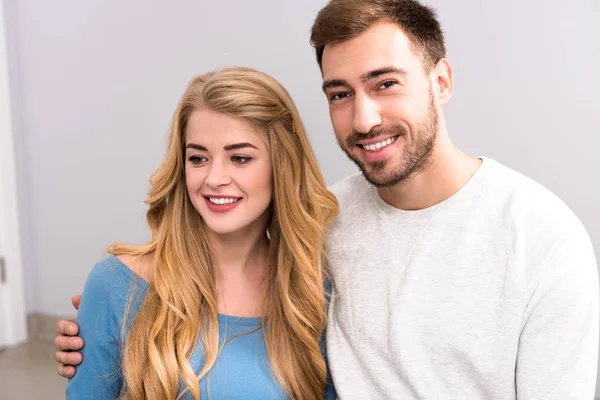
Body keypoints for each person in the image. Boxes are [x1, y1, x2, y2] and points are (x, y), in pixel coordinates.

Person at [55, 1, 599, 399]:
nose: (363, 118)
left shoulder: (543, 240)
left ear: (442, 81)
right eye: (340, 94)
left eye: (385, 83)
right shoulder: (324, 226)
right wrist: (109, 321)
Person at [61, 66, 338, 399]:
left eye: (239, 158)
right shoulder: (117, 285)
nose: (214, 178)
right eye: (198, 158)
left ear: (282, 165)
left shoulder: (312, 293)